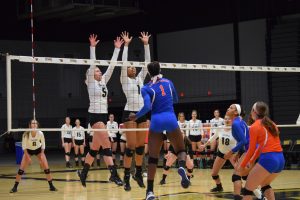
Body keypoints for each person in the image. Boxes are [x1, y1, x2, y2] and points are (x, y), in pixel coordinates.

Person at [129, 61, 190, 200]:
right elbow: (175, 99)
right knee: (181, 149)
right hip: (170, 117)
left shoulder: (146, 88)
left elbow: (147, 107)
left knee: (153, 158)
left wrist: (136, 116)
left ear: (149, 73)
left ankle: (150, 192)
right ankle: (181, 167)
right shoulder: (168, 82)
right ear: (160, 69)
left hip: (156, 120)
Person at [77, 34, 124, 187]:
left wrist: (117, 49)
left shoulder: (103, 80)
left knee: (94, 149)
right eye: (96, 70)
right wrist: (92, 47)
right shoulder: (90, 82)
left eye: (98, 70)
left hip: (103, 115)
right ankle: (114, 174)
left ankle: (83, 173)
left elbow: (111, 66)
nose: (98, 71)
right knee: (107, 145)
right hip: (94, 115)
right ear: (91, 75)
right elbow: (92, 64)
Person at [120, 31, 151, 191]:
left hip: (142, 113)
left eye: (133, 66)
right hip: (130, 113)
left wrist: (146, 44)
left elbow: (148, 63)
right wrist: (126, 45)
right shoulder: (124, 80)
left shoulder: (139, 78)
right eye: (130, 67)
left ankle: (138, 173)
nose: (132, 67)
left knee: (140, 147)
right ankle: (126, 176)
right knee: (130, 145)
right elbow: (123, 63)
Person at [238, 102, 284, 200]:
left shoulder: (254, 126)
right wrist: (252, 160)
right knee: (265, 185)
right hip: (280, 159)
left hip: (269, 159)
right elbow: (261, 146)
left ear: (254, 112)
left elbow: (251, 149)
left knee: (247, 190)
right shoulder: (272, 123)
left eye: (251, 110)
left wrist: (242, 166)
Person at [10, 119, 57, 193]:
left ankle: (51, 186)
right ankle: (15, 187)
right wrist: (28, 158)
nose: (34, 124)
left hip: (38, 150)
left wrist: (41, 157)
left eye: (35, 123)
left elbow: (43, 145)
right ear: (30, 125)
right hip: (28, 150)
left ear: (37, 125)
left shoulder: (40, 133)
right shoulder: (26, 134)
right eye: (33, 123)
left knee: (46, 169)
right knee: (21, 170)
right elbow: (24, 147)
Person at [199, 115, 237, 192]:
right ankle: (219, 187)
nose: (227, 120)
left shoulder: (235, 129)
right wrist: (205, 145)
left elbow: (241, 141)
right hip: (221, 153)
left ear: (232, 120)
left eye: (229, 119)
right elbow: (213, 137)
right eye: (225, 119)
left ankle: (250, 188)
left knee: (241, 172)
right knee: (214, 173)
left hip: (232, 153)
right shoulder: (220, 128)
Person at [223, 104, 249, 200]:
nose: (228, 108)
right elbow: (244, 139)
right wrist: (238, 153)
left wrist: (231, 152)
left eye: (231, 108)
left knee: (236, 176)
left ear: (236, 112)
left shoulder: (236, 123)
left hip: (250, 151)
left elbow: (244, 141)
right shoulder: (239, 121)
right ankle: (261, 196)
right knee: (246, 176)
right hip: (248, 151)